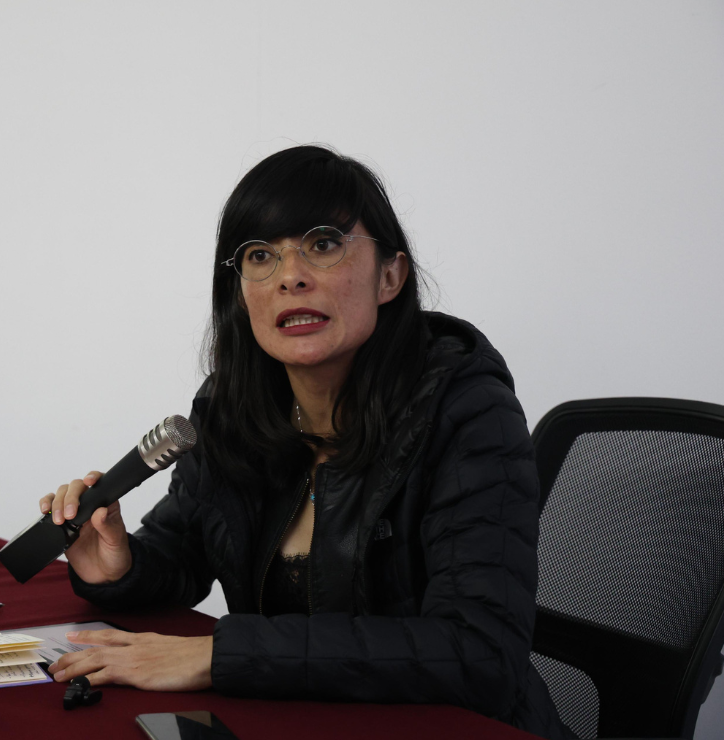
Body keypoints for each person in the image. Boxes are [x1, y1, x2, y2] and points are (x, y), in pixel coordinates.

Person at [37, 145, 568, 738]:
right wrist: (118, 566)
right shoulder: (235, 408)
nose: (290, 275)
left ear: (390, 275)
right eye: (261, 255)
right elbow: (183, 552)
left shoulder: (467, 412)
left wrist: (222, 654)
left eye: (323, 244)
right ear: (241, 292)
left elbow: (479, 654)